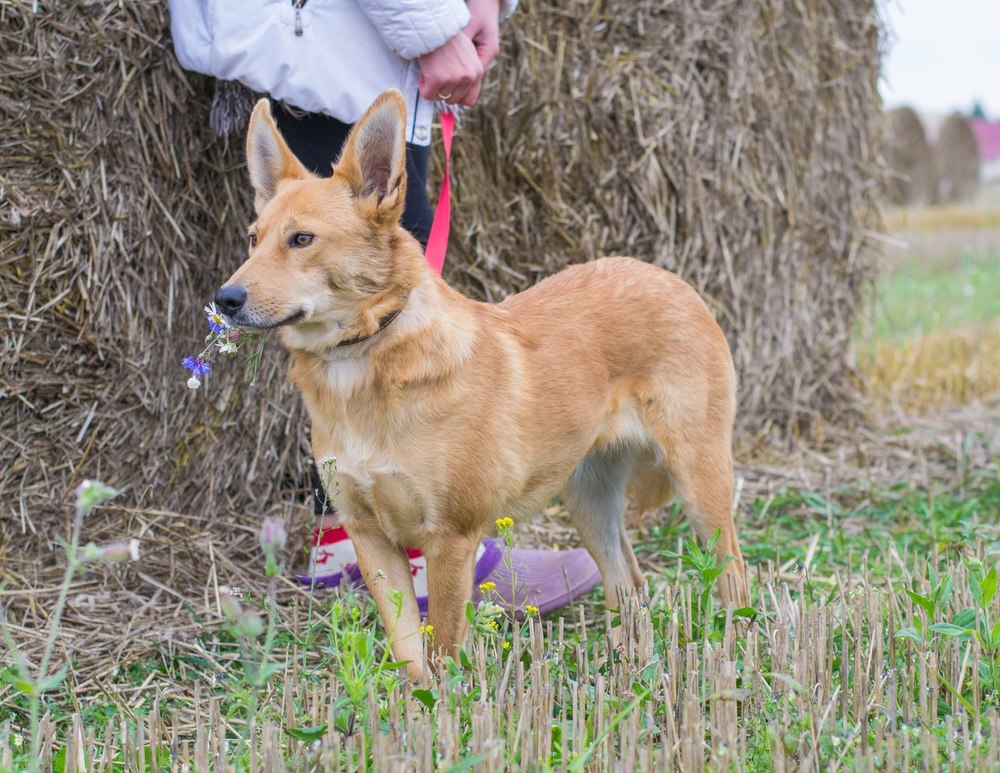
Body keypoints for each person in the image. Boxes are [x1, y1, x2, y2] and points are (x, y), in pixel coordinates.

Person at [168, 0, 601, 614]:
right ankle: (378, 533)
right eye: (259, 238)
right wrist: (431, 25)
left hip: (373, 56)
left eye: (294, 244)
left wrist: (481, 8)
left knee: (390, 257)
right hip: (323, 35)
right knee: (372, 276)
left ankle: (414, 524)